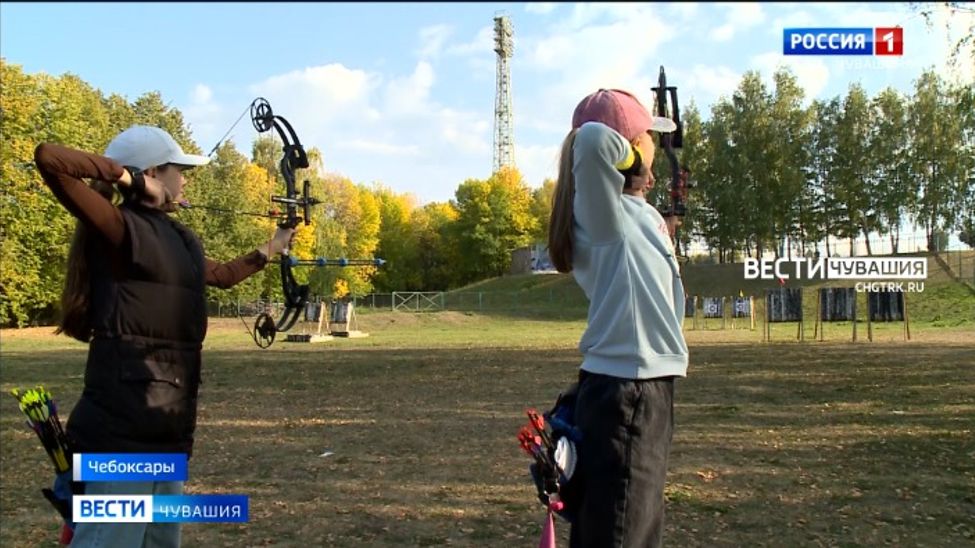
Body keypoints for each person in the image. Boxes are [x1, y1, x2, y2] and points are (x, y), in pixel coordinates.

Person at [33, 125, 294, 548]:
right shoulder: (118, 228)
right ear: (154, 171)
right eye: (179, 169)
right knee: (111, 540)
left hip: (166, 426)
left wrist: (270, 248)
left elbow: (221, 276)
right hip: (120, 435)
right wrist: (129, 180)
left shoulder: (179, 239)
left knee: (159, 541)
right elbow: (50, 158)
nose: (186, 179)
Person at [548, 89, 689, 547]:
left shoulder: (628, 215)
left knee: (627, 528)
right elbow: (590, 141)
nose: (654, 148)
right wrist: (634, 161)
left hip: (638, 388)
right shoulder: (603, 216)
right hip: (627, 391)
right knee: (620, 534)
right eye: (648, 138)